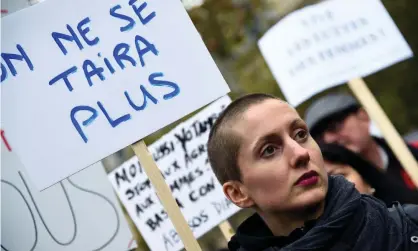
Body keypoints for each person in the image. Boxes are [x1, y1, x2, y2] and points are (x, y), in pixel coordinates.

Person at [207, 93, 418, 251]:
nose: (301, 153)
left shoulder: (410, 228)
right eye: (269, 150)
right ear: (238, 193)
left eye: (300, 134)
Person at [305, 93, 418, 190]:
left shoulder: (413, 153)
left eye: (334, 127)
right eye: (319, 137)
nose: (329, 139)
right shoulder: (339, 193)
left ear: (363, 116)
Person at [320, 142, 418, 205]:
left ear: (365, 179)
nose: (334, 188)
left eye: (339, 176)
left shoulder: (411, 220)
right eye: (322, 184)